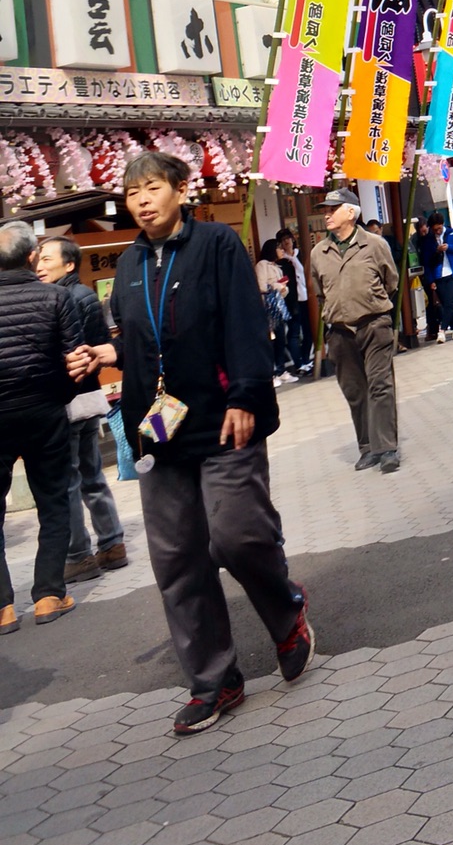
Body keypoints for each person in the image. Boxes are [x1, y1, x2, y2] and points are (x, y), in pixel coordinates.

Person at [66, 154, 312, 733]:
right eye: (132, 193)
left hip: (224, 419)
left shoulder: (218, 245)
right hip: (158, 431)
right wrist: (112, 353)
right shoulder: (128, 264)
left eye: (152, 188)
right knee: (176, 558)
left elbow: (243, 323)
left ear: (181, 189)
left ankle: (287, 614)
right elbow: (144, 336)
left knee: (237, 536)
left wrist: (247, 395)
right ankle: (215, 680)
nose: (142, 200)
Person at [0, 222, 83, 631]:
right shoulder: (57, 297)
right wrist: (60, 397)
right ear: (32, 256)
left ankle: (2, 607)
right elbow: (75, 359)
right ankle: (49, 594)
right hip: (45, 411)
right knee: (53, 500)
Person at [33, 236, 127, 583]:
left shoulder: (61, 298)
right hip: (89, 398)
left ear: (69, 264)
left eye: (46, 259)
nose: (39, 266)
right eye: (38, 260)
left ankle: (78, 555)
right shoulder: (86, 294)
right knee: (91, 475)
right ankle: (113, 543)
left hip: (69, 401)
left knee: (69, 481)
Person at [310, 187, 400, 471]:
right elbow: (320, 292)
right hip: (339, 330)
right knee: (354, 390)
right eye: (325, 209)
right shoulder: (318, 252)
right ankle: (367, 447)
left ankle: (387, 448)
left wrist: (369, 302)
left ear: (351, 212)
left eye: (332, 209)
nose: (326, 214)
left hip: (374, 324)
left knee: (380, 385)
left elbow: (391, 281)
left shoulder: (374, 244)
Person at [419, 210, 453, 343]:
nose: (438, 231)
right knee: (446, 302)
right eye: (435, 230)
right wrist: (431, 280)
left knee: (450, 301)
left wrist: (449, 247)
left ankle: (442, 330)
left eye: (439, 228)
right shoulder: (428, 240)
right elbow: (426, 261)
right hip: (438, 274)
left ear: (442, 224)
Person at [274, 231, 313, 374]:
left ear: (293, 239)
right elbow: (282, 282)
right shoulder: (281, 262)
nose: (286, 242)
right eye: (283, 240)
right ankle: (299, 363)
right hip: (292, 300)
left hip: (306, 297)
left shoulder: (301, 255)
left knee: (308, 332)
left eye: (288, 238)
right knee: (294, 332)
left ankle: (306, 359)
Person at [256, 241, 293, 386]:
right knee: (270, 340)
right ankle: (271, 373)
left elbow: (281, 288)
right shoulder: (262, 265)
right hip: (267, 307)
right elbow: (261, 285)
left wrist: (284, 289)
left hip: (278, 305)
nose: (282, 250)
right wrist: (279, 286)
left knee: (280, 339)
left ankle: (281, 370)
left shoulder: (277, 266)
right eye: (279, 248)